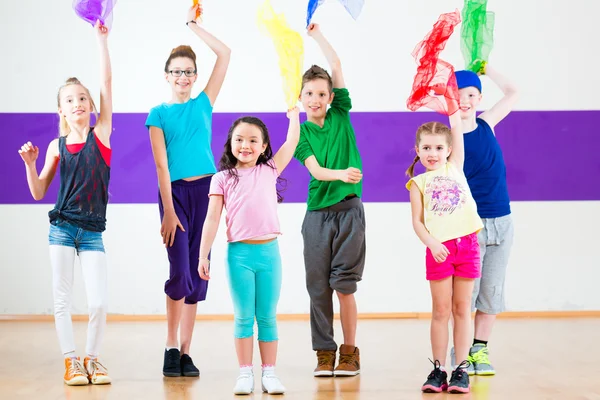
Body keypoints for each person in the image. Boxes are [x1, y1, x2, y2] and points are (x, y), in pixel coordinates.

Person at [17, 20, 113, 386]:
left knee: (99, 302)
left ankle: (93, 358)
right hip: (61, 229)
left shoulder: (101, 135)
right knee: (62, 299)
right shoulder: (57, 147)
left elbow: (106, 83)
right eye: (70, 100)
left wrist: (101, 41)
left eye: (82, 98)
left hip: (91, 232)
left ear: (91, 106)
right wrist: (29, 165)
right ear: (61, 109)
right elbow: (39, 192)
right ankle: (71, 361)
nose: (78, 103)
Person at [145, 4, 231, 377]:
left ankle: (185, 352)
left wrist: (194, 27)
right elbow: (162, 166)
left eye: (188, 71)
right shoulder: (158, 114)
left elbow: (225, 54)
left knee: (197, 275)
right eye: (177, 71)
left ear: (195, 76)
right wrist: (168, 209)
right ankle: (168, 345)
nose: (183, 76)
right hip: (175, 197)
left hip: (208, 195)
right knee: (179, 271)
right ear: (167, 75)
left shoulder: (204, 103)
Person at [198, 108, 300, 394]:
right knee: (244, 316)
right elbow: (212, 219)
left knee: (267, 315)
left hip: (269, 254)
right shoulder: (221, 178)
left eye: (254, 140)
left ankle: (269, 373)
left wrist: (295, 115)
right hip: (239, 256)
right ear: (231, 143)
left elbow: (291, 143)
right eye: (240, 139)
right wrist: (203, 254)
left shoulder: (269, 169)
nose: (246, 145)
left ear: (264, 146)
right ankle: (245, 373)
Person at [293, 23, 365, 377]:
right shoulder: (300, 134)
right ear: (302, 97)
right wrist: (342, 174)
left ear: (331, 97)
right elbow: (317, 171)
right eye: (310, 94)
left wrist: (317, 35)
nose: (317, 99)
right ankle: (324, 351)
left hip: (349, 212)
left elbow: (336, 63)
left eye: (322, 93)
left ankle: (350, 352)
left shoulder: (340, 113)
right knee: (318, 288)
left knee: (344, 284)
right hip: (317, 217)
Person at [406, 107, 483, 394]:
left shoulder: (456, 167)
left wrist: (450, 106)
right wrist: (433, 244)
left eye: (439, 147)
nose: (433, 153)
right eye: (426, 147)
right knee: (440, 310)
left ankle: (461, 368)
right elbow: (417, 222)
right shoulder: (418, 183)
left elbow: (458, 130)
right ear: (418, 149)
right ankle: (438, 369)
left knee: (462, 309)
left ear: (449, 150)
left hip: (468, 247)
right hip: (439, 250)